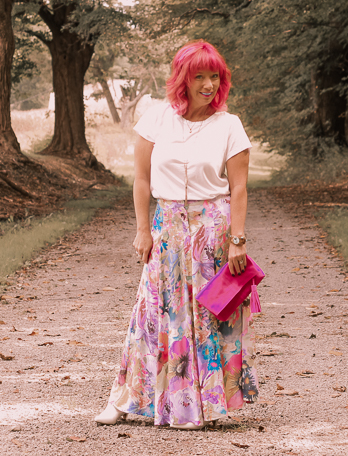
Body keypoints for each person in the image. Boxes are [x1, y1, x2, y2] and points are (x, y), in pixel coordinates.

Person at [94, 40, 258, 430]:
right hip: (167, 225)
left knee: (205, 315)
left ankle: (202, 404)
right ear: (182, 78)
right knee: (152, 311)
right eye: (199, 75)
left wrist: (238, 238)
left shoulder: (229, 125)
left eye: (213, 76)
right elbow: (141, 178)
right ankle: (125, 399)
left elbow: (238, 189)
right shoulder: (156, 118)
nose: (207, 84)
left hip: (211, 230)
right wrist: (141, 230)